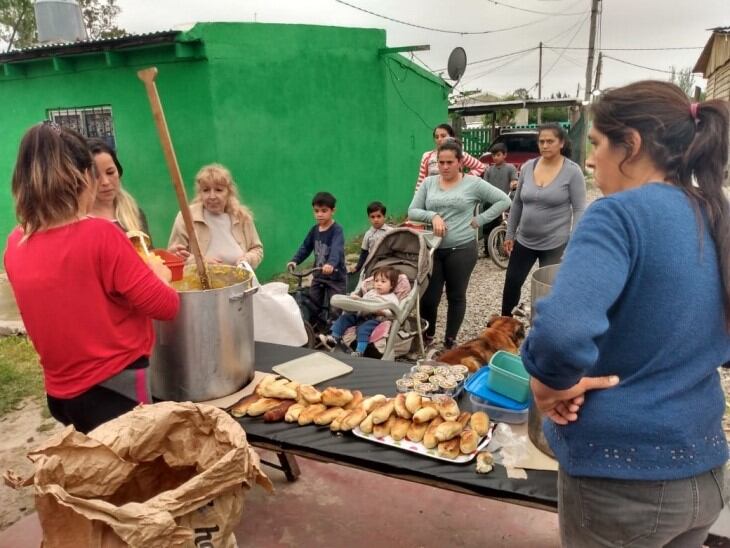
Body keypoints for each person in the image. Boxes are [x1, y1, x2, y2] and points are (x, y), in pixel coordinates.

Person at [522, 81, 730, 547]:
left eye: (596, 143)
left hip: (622, 484)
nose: (591, 160)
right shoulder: (717, 213)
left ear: (630, 145)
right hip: (707, 474)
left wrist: (547, 382)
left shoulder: (616, 215)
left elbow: (560, 334)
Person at [3, 122, 179, 434]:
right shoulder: (101, 235)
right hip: (115, 390)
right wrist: (158, 273)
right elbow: (165, 307)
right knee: (139, 477)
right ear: (84, 176)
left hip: (60, 394)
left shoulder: (16, 242)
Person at [409, 139, 511, 349]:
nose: (444, 167)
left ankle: (450, 339)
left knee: (456, 295)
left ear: (460, 162)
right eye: (441, 162)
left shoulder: (472, 184)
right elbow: (413, 211)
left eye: (449, 162)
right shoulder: (429, 183)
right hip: (434, 248)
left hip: (462, 248)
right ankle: (428, 336)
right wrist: (433, 216)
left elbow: (504, 200)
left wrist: (480, 220)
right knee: (429, 297)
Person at [501, 123, 586, 316]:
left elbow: (580, 209)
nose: (545, 145)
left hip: (555, 244)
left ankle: (547, 331)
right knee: (512, 284)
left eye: (550, 141)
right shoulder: (528, 167)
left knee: (549, 291)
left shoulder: (572, 171)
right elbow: (517, 204)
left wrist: (573, 242)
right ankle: (503, 327)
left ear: (561, 143)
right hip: (524, 241)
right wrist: (510, 233)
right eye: (541, 141)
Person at [168, 163, 264, 268]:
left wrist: (248, 259)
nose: (212, 196)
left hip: (240, 282)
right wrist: (200, 262)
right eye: (206, 190)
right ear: (200, 193)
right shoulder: (186, 217)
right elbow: (175, 256)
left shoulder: (242, 217)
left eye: (218, 190)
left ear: (229, 192)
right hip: (199, 283)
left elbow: (257, 249)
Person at [287, 191, 346, 323]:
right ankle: (315, 328)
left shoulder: (337, 230)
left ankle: (334, 333)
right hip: (319, 275)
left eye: (324, 211)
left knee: (336, 306)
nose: (319, 214)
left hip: (335, 277)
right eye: (316, 211)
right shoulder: (314, 230)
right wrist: (295, 260)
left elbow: (337, 249)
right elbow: (305, 247)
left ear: (333, 211)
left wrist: (331, 264)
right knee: (313, 303)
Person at [320, 266, 400, 356]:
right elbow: (363, 302)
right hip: (361, 314)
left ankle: (359, 351)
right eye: (376, 281)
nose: (378, 284)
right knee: (345, 318)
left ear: (392, 285)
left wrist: (383, 312)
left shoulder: (391, 298)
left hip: (374, 319)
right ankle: (334, 338)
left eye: (383, 281)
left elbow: (394, 311)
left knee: (363, 329)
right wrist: (357, 299)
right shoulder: (371, 293)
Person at [87, 138, 149, 236]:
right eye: (96, 176)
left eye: (110, 172)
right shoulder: (79, 222)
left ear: (118, 171)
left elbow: (147, 250)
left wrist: (164, 252)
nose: (105, 182)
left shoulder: (134, 213)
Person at [415, 123, 484, 192]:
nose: (439, 139)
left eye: (443, 136)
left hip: (455, 195)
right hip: (431, 197)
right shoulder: (427, 156)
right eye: (436, 137)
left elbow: (481, 167)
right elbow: (421, 181)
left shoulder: (460, 155)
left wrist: (465, 180)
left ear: (451, 137)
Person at [481, 142, 518, 257]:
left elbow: (514, 180)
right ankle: (487, 250)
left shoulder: (510, 168)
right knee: (487, 226)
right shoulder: (489, 170)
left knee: (503, 224)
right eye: (493, 155)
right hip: (490, 202)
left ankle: (503, 248)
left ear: (504, 155)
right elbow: (484, 185)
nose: (495, 157)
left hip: (505, 201)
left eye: (498, 155)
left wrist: (514, 183)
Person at [351, 201, 393, 273]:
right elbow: (364, 253)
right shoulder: (368, 234)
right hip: (373, 264)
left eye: (379, 216)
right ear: (369, 218)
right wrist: (357, 267)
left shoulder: (391, 232)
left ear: (384, 217)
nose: (376, 219)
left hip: (388, 262)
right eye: (372, 217)